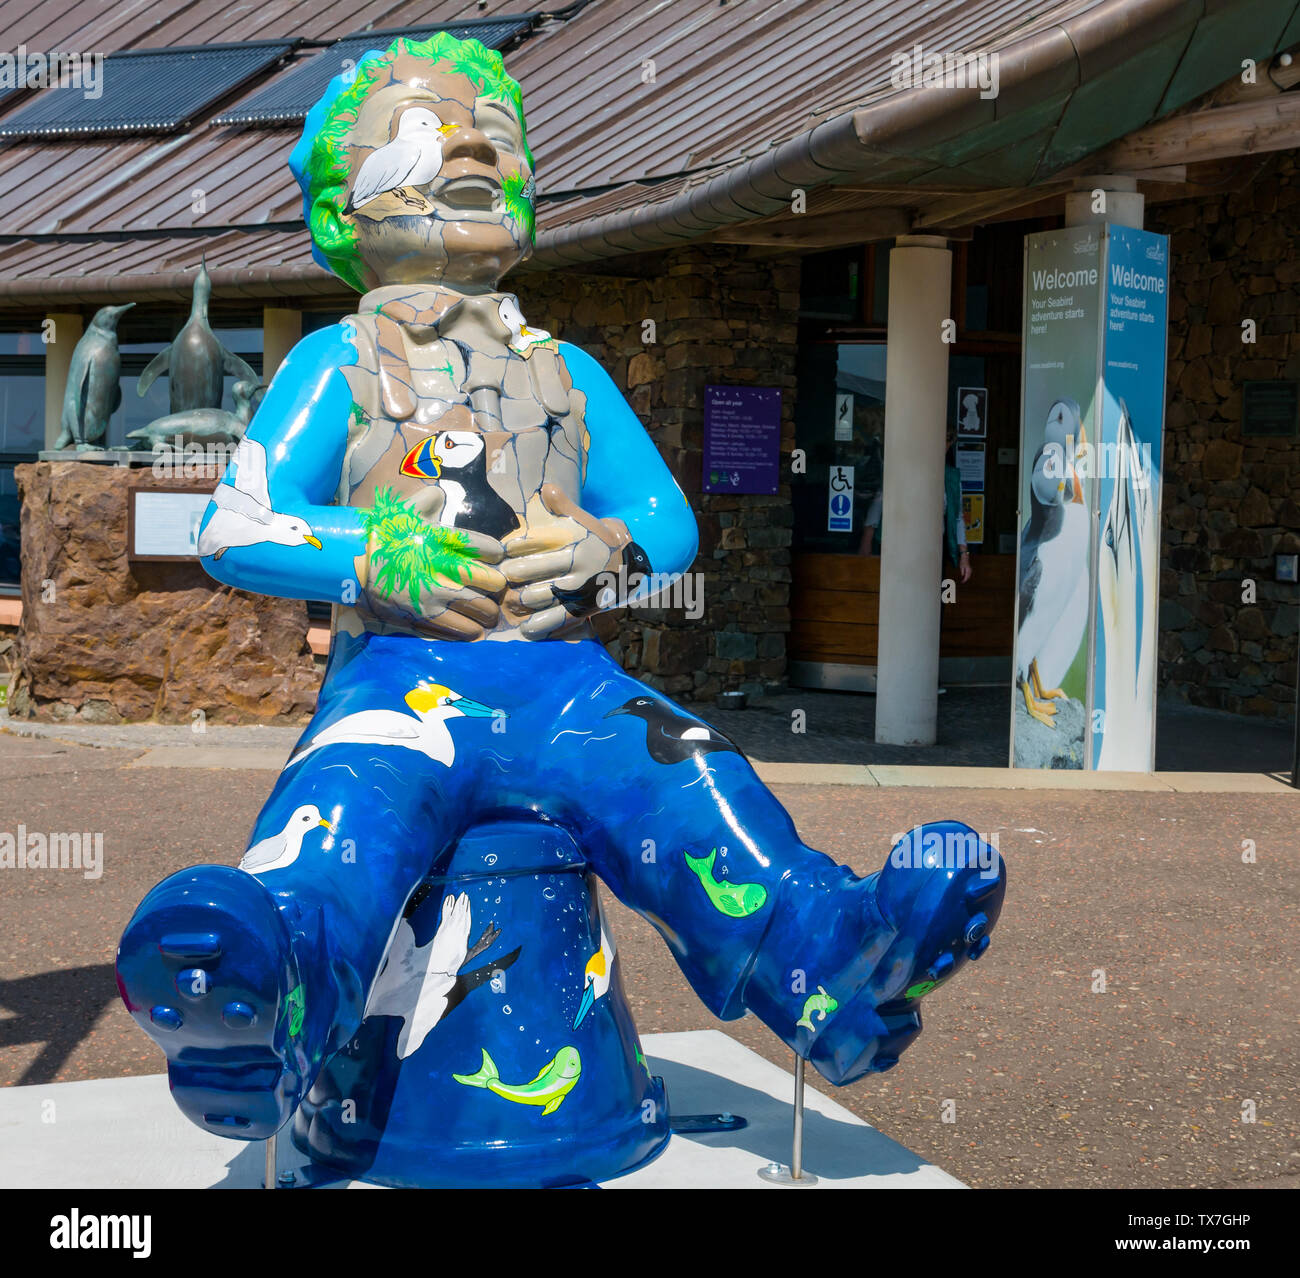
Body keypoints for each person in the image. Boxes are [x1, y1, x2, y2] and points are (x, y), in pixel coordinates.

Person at [116, 33, 1004, 1151]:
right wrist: (370, 549)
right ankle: (271, 977)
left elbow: (667, 520)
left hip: (572, 690)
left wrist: (605, 551)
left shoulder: (567, 374)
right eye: (428, 129)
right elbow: (235, 522)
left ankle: (833, 956)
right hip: (403, 687)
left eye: (500, 135)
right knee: (343, 818)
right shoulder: (338, 363)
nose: (479, 144)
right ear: (348, 204)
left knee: (691, 779)